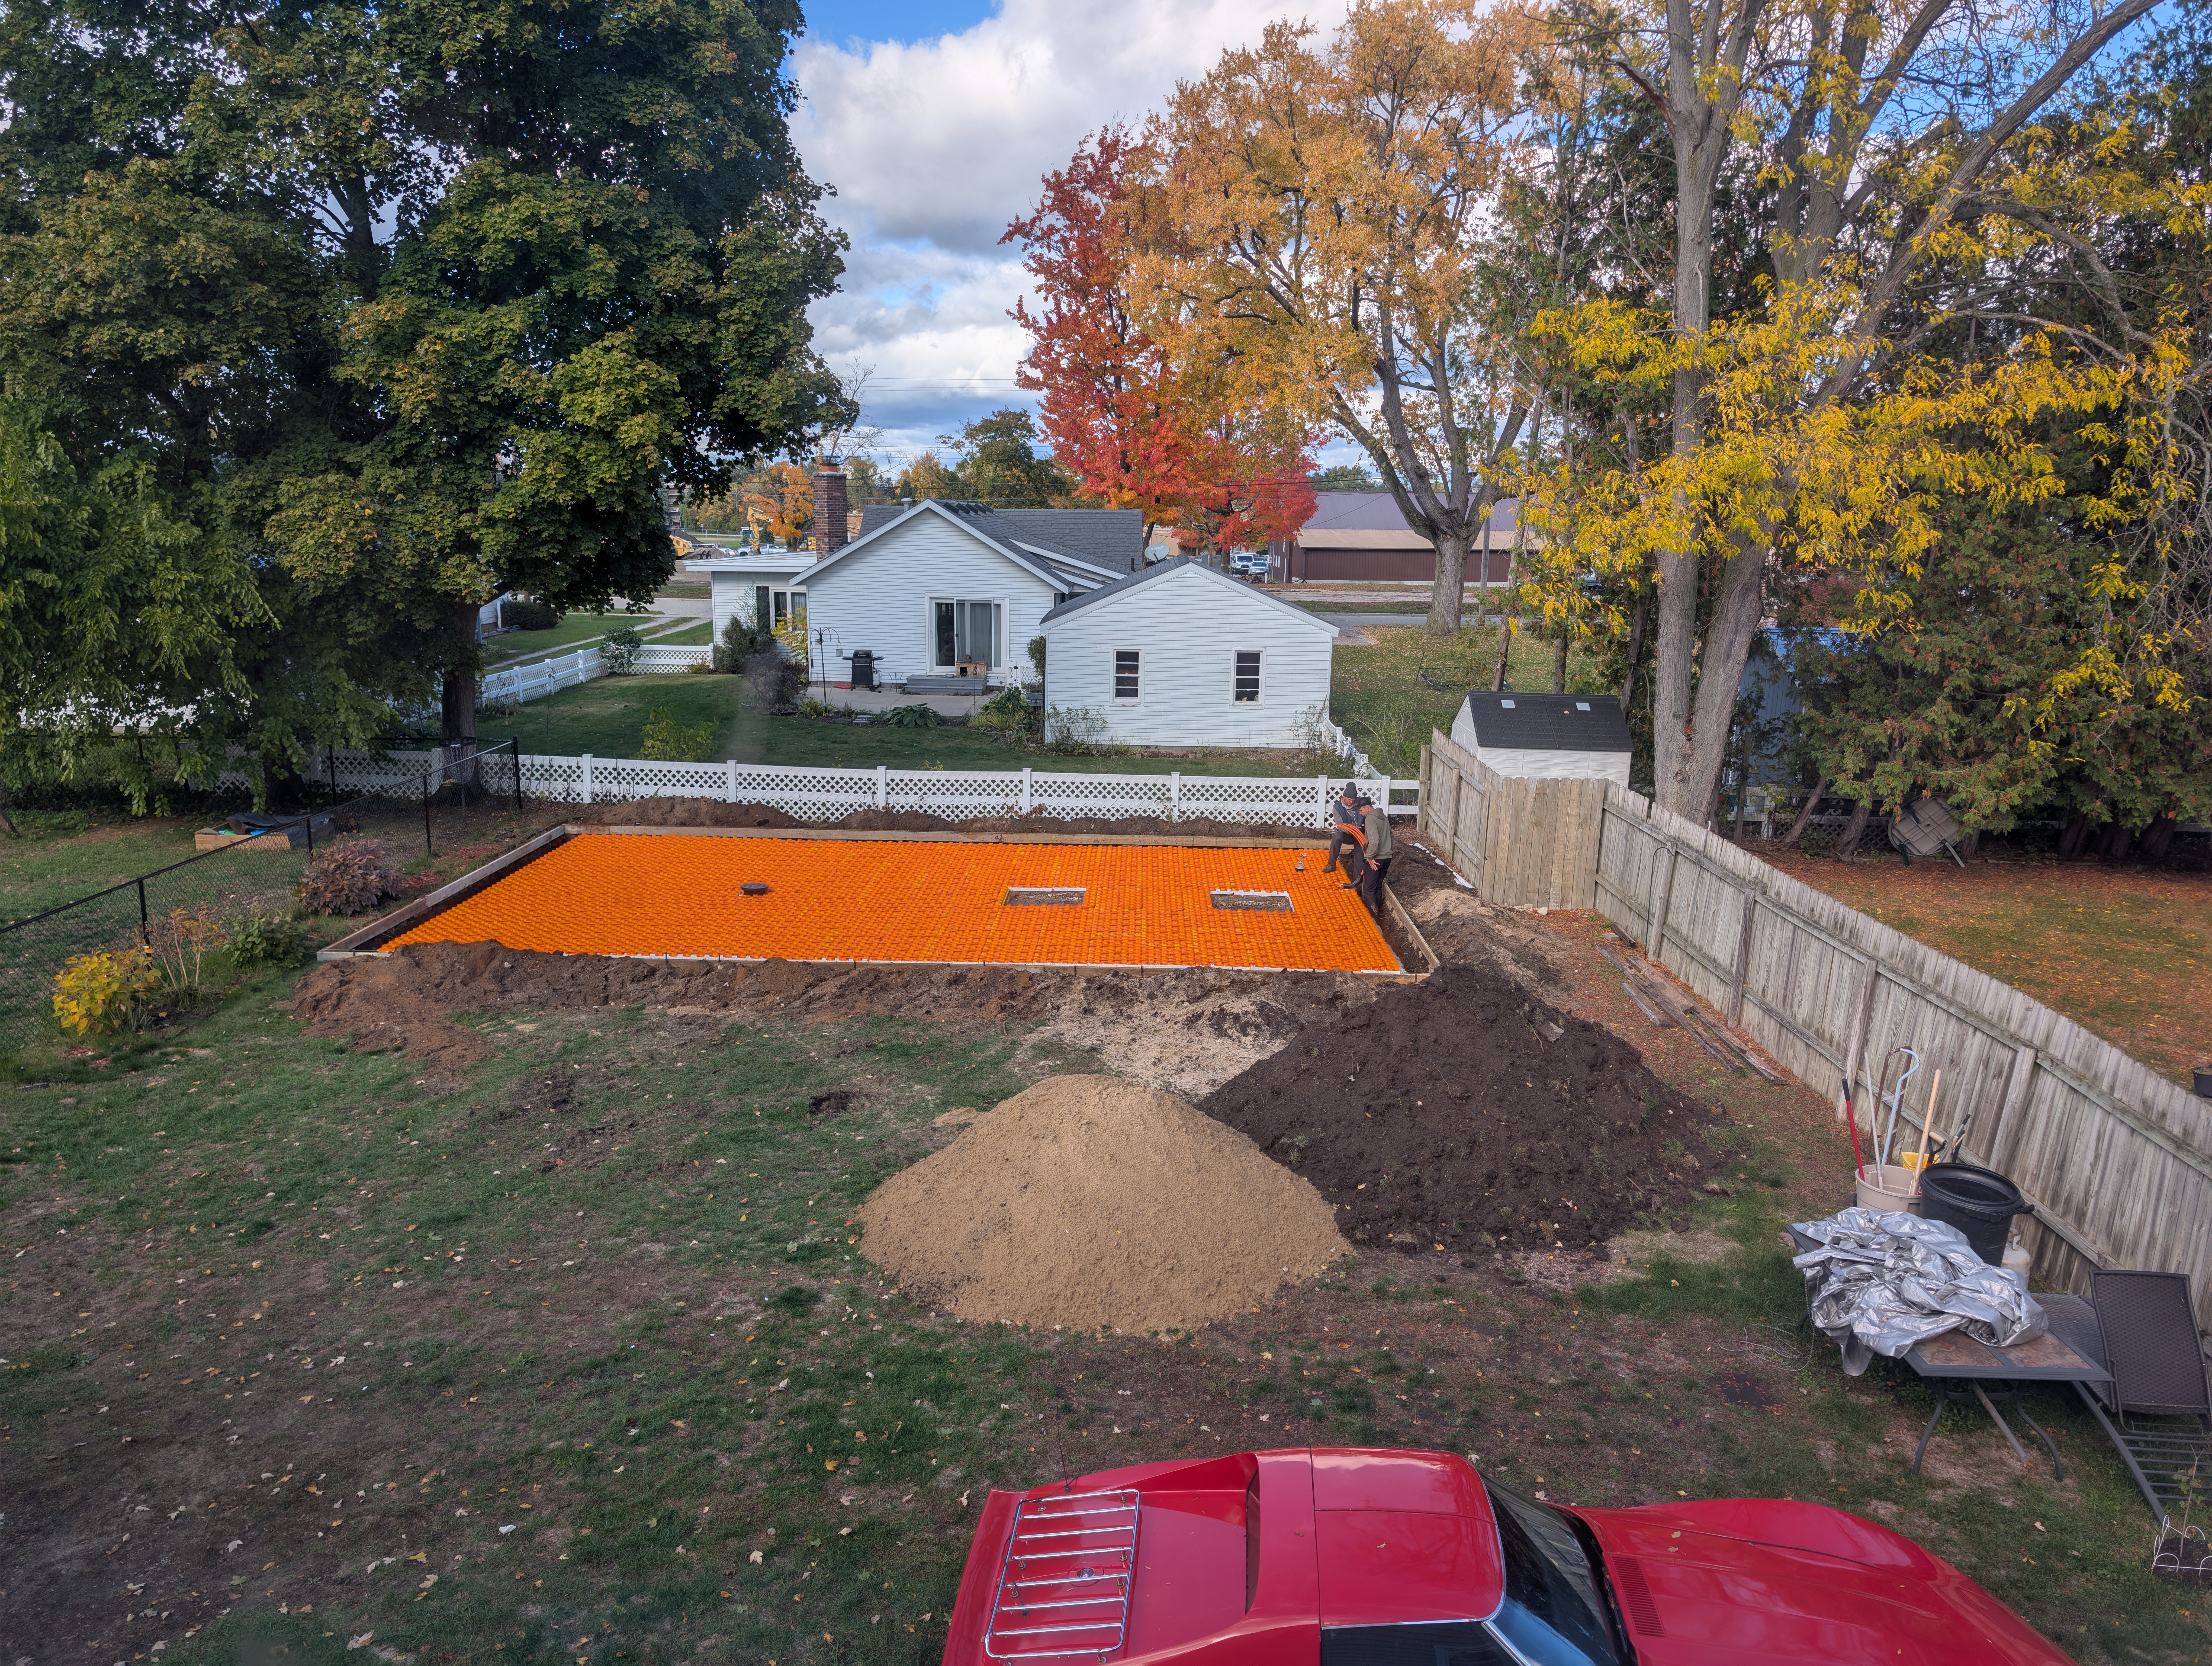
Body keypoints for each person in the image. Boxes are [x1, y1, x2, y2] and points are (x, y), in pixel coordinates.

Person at [1357, 795, 1394, 917]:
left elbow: (1374, 841)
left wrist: (1370, 857)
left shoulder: (1371, 819)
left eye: (1361, 810)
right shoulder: (1383, 817)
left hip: (1376, 859)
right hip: (1387, 858)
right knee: (1378, 887)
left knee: (1369, 889)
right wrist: (1388, 851)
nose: (1360, 813)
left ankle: (1371, 917)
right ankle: (1378, 915)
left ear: (1367, 807)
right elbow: (1391, 837)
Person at [1321, 782, 1363, 874]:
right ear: (1344, 796)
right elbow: (1340, 825)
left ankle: (1361, 869)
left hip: (1361, 835)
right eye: (1349, 800)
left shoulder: (1360, 803)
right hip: (1348, 835)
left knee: (1360, 850)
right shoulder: (1337, 808)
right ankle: (1332, 864)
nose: (1351, 802)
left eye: (1353, 800)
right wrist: (1352, 830)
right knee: (1337, 836)